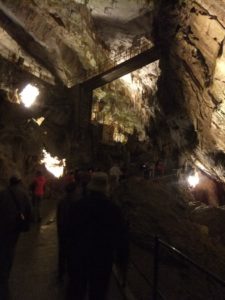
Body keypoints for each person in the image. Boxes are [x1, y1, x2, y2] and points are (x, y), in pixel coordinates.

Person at [66, 172, 129, 300]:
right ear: (106, 188)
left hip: (80, 256)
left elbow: (69, 232)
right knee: (98, 293)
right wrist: (122, 261)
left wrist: (68, 257)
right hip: (103, 258)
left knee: (77, 291)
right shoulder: (113, 209)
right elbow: (121, 236)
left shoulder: (78, 206)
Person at [0, 173, 32, 299]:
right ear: (18, 182)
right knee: (10, 247)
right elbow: (28, 209)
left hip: (2, 225)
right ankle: (5, 272)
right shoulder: (23, 193)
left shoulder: (2, 193)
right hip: (15, 226)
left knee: (2, 245)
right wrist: (27, 223)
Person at [56, 182, 80, 282]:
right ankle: (71, 272)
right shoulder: (78, 201)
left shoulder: (61, 201)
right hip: (72, 230)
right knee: (72, 252)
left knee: (62, 251)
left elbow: (58, 216)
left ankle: (61, 271)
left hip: (63, 229)